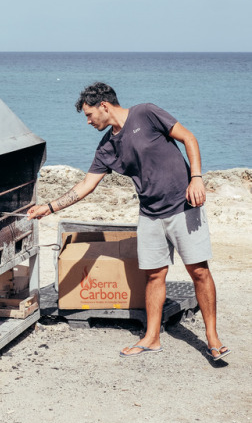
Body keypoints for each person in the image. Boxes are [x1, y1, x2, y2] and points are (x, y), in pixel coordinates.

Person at [28, 82, 230, 361]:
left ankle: (212, 337)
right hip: (149, 214)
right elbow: (87, 185)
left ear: (104, 106)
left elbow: (189, 138)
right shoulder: (106, 147)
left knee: (199, 272)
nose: (87, 121)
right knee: (154, 276)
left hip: (183, 206)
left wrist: (197, 177)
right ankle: (152, 337)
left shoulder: (146, 113)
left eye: (88, 115)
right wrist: (48, 208)